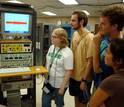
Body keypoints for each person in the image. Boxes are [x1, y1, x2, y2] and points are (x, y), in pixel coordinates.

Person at [93, 5, 124, 88]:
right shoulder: (103, 38)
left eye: (103, 24)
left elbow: (97, 69)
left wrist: (96, 45)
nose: (100, 26)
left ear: (114, 26)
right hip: (98, 83)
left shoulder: (120, 46)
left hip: (111, 87)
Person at [42, 28, 73, 107]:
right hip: (48, 82)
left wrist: (62, 87)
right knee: (45, 103)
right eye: (52, 36)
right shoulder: (51, 47)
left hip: (60, 84)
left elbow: (69, 71)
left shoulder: (68, 52)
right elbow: (48, 62)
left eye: (54, 37)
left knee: (59, 104)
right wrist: (44, 71)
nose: (51, 38)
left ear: (61, 39)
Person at [89, 38, 124, 107]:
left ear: (118, 60)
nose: (104, 54)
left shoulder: (111, 82)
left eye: (108, 52)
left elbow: (91, 105)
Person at [69, 11, 94, 107]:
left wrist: (83, 80)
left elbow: (90, 62)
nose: (71, 22)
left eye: (73, 20)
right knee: (76, 102)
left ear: (81, 21)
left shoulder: (90, 37)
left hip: (84, 78)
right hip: (74, 77)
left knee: (83, 103)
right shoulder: (75, 34)